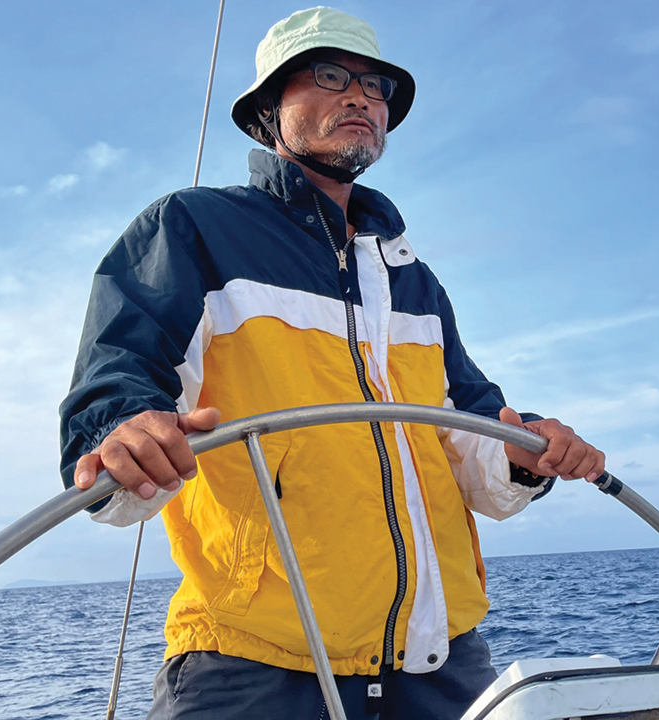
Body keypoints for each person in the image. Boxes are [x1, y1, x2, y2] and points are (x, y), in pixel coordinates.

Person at [59, 7, 606, 720]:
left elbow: (470, 429)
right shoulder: (192, 228)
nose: (360, 97)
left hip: (437, 658)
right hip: (253, 660)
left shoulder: (413, 277)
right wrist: (125, 431)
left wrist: (528, 450)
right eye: (329, 75)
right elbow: (118, 377)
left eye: (376, 86)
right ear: (267, 112)